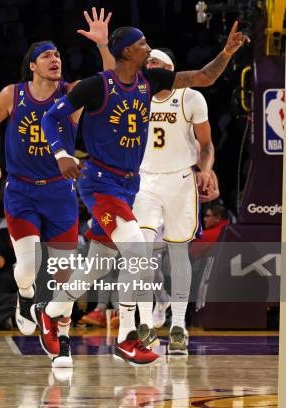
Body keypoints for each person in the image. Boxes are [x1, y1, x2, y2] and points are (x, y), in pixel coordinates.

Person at [40, 19, 249, 366]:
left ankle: (52, 312)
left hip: (129, 184)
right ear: (126, 51)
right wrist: (62, 154)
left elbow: (203, 77)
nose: (148, 48)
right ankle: (127, 337)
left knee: (98, 265)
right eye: (142, 44)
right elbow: (51, 118)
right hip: (100, 182)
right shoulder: (95, 86)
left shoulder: (149, 82)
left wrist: (226, 52)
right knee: (138, 250)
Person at [0, 7, 112, 368]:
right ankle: (25, 297)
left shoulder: (72, 95)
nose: (56, 60)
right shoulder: (13, 95)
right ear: (33, 66)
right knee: (27, 266)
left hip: (60, 192)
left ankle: (62, 337)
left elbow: (112, 82)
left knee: (64, 271)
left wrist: (102, 45)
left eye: (58, 55)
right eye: (47, 56)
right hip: (21, 191)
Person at [131, 48, 216, 355]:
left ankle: (178, 325)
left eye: (155, 63)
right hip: (145, 180)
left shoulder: (191, 98)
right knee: (141, 249)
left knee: (179, 253)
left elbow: (206, 146)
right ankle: (145, 322)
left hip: (181, 180)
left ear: (169, 68)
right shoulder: (135, 96)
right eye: (147, 63)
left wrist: (206, 171)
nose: (149, 66)